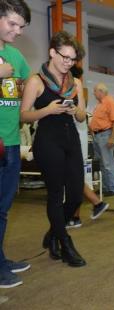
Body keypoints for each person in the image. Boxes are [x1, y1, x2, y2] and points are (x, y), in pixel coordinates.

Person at [21, 31, 87, 267]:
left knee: (77, 193)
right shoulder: (36, 81)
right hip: (48, 142)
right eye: (65, 57)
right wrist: (47, 110)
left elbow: (82, 116)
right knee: (56, 195)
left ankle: (53, 234)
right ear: (52, 52)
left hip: (71, 141)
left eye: (72, 60)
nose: (68, 63)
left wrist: (74, 110)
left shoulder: (76, 83)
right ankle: (65, 242)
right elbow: (24, 115)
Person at [0, 0, 31, 288]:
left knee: (3, 207)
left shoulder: (16, 57)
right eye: (12, 23)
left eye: (21, 26)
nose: (18, 30)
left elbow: (28, 90)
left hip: (10, 142)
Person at [67, 65, 108, 229]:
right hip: (78, 136)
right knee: (75, 177)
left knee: (74, 177)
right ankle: (93, 204)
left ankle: (89, 207)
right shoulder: (79, 92)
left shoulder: (73, 90)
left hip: (75, 138)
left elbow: (78, 116)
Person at [89, 83, 114, 196]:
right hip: (98, 136)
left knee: (107, 163)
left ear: (101, 91)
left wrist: (112, 138)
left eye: (95, 91)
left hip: (105, 135)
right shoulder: (100, 104)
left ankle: (112, 188)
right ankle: (106, 187)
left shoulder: (110, 101)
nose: (94, 93)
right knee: (102, 163)